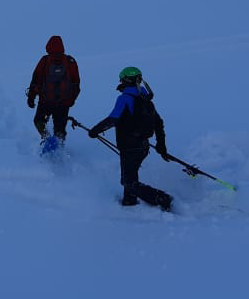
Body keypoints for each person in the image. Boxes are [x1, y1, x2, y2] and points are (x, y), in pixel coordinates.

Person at [88, 66, 173, 210]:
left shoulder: (125, 98)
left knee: (129, 183)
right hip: (143, 146)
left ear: (126, 80)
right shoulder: (146, 99)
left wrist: (94, 131)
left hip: (130, 146)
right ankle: (129, 202)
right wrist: (161, 146)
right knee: (130, 176)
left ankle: (161, 198)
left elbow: (113, 120)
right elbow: (158, 123)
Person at [26, 36, 81, 143]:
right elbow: (76, 84)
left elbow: (35, 80)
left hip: (45, 101)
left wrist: (31, 98)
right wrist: (70, 101)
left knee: (39, 121)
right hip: (63, 103)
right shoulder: (70, 61)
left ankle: (47, 140)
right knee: (60, 128)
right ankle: (59, 148)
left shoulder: (45, 60)